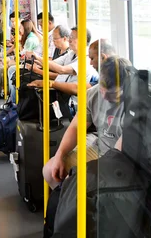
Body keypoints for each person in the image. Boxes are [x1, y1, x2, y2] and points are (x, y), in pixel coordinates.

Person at [40, 55, 131, 190]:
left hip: (120, 158)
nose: (104, 97)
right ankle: (65, 206)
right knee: (49, 171)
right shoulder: (92, 94)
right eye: (102, 90)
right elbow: (76, 127)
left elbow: (118, 153)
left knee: (81, 184)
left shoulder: (132, 107)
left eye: (112, 95)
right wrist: (60, 155)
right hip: (98, 146)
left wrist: (86, 171)